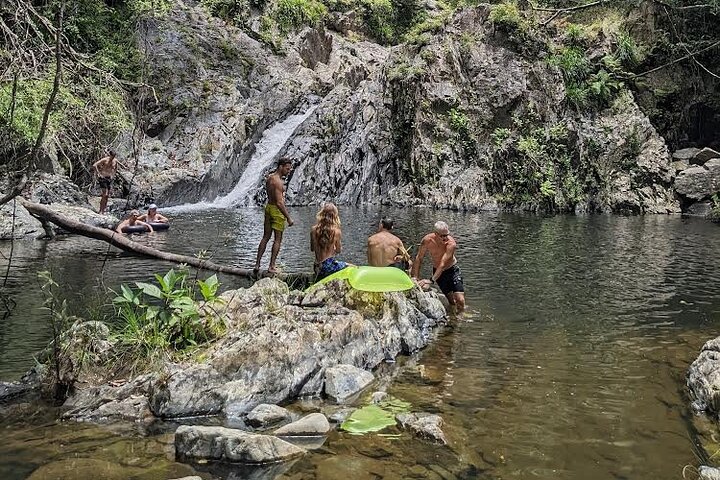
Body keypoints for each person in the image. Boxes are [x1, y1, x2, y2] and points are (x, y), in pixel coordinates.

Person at [412, 221, 465, 311]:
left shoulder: (451, 244)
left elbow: (443, 264)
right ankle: (453, 316)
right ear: (436, 234)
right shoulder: (427, 240)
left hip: (452, 270)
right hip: (438, 272)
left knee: (460, 299)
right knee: (451, 301)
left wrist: (431, 280)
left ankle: (461, 316)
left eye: (447, 235)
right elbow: (419, 258)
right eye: (442, 236)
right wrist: (415, 277)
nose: (445, 238)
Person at [254, 157, 294, 274]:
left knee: (265, 237)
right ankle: (271, 266)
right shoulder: (278, 182)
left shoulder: (270, 178)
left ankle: (257, 264)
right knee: (277, 240)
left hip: (268, 208)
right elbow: (279, 203)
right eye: (287, 169)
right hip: (276, 211)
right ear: (280, 167)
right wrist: (288, 218)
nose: (288, 171)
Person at [311, 202, 349, 281]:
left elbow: (312, 249)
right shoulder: (336, 231)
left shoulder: (313, 229)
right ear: (335, 215)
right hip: (328, 266)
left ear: (321, 214)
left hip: (317, 266)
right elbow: (338, 251)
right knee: (353, 267)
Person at [93, 150, 121, 214]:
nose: (113, 158)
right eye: (112, 156)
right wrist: (99, 174)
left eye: (114, 156)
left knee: (107, 195)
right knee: (104, 194)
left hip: (109, 178)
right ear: (110, 155)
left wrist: (113, 174)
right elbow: (94, 165)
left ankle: (104, 210)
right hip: (103, 178)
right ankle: (100, 210)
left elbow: (116, 168)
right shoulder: (105, 160)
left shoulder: (115, 161)